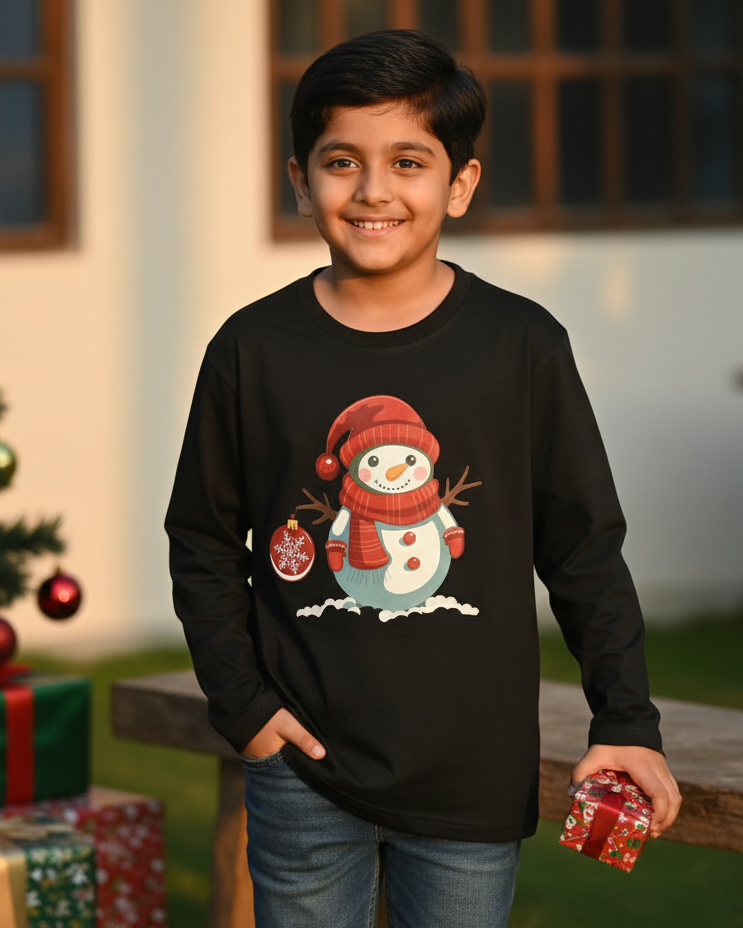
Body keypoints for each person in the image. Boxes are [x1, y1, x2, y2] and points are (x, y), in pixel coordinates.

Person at [165, 29, 681, 928]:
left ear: (460, 183)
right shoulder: (250, 350)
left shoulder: (521, 346)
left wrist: (626, 721)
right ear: (300, 181)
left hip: (470, 775)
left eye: (407, 161)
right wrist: (244, 708)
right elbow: (203, 538)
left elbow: (583, 549)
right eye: (341, 162)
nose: (373, 190)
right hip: (300, 770)